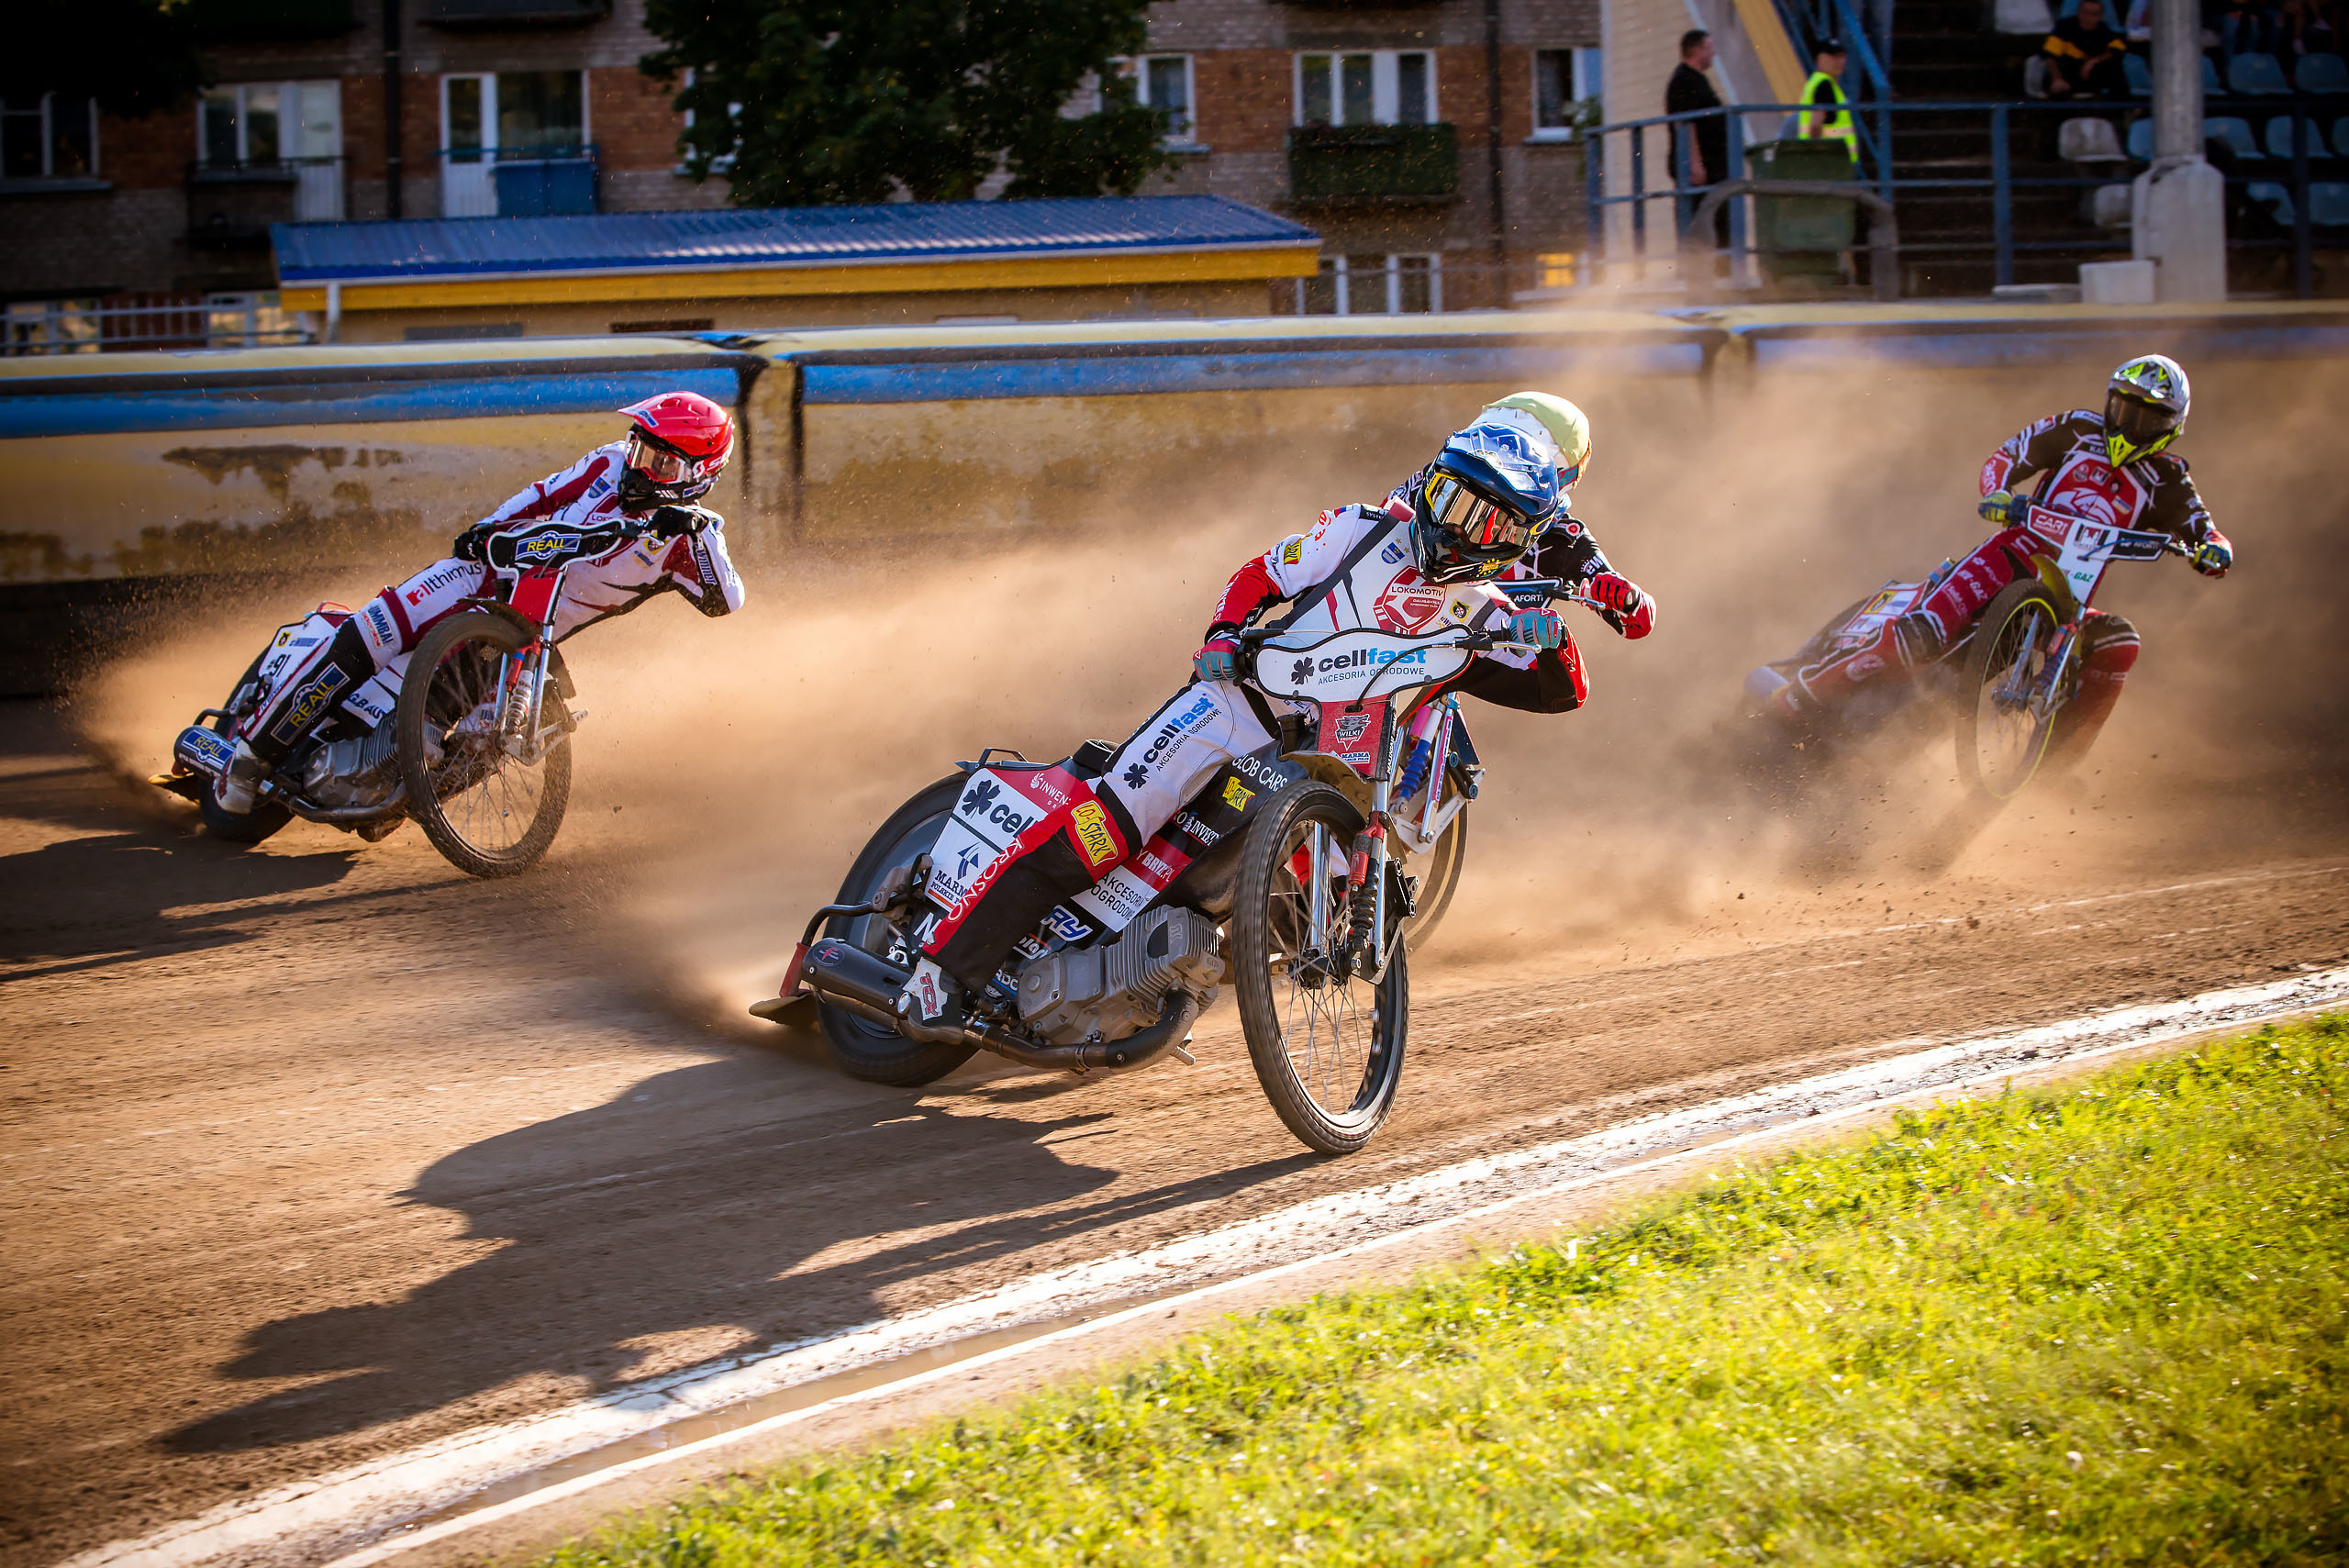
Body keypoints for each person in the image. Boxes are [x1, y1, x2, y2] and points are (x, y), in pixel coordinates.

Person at [893, 394, 1657, 1041]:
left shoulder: (1482, 609)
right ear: (1433, 481)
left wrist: (1556, 634)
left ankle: (1160, 973)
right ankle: (939, 974)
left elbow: (1564, 689)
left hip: (1316, 758)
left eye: (1485, 523)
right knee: (1106, 831)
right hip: (1233, 707)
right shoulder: (1358, 529)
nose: (1458, 527)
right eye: (1452, 501)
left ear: (1518, 542)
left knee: (1283, 884)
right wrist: (1223, 635)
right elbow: (1260, 573)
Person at [212, 391, 746, 815]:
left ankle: (395, 798)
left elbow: (727, 599)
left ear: (698, 476)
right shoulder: (607, 462)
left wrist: (699, 529)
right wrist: (488, 528)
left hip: (519, 637)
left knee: (480, 740)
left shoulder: (688, 541)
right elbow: (543, 494)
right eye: (639, 450)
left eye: (661, 464)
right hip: (487, 570)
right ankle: (249, 759)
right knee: (373, 631)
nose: (640, 468)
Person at [1761, 355, 2232, 771]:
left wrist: (2213, 549)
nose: (2129, 425)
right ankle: (1800, 695)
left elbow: (2205, 529)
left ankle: (2053, 767)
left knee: (2119, 641)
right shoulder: (2075, 428)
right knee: (1917, 635)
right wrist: (1999, 493)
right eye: (2123, 409)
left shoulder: (2168, 478)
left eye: (2146, 418)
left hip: (2068, 597)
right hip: (2010, 555)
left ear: (2171, 425)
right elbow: (2007, 456)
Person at [1666, 30, 1732, 254]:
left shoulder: (1696, 79)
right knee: (1699, 227)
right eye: (1709, 48)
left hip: (1713, 168)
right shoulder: (1684, 80)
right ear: (1696, 51)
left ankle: (1722, 267)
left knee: (1718, 224)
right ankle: (1704, 269)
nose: (1713, 53)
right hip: (1703, 170)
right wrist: (1694, 163)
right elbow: (1685, 124)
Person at [2043, 0, 2132, 96]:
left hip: (2092, 75)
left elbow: (2118, 49)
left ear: (2100, 16)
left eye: (2094, 14)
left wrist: (2093, 62)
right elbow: (2050, 57)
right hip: (2067, 75)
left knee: (2116, 70)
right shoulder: (2064, 26)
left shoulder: (2104, 29)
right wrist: (2057, 79)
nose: (2089, 18)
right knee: (2054, 82)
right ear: (2079, 12)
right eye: (2085, 13)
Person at [1799, 39, 1859, 161]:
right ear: (1821, 58)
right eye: (1834, 57)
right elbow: (1816, 124)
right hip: (1830, 160)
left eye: (1842, 56)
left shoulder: (1818, 82)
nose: (1840, 61)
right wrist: (1815, 155)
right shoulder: (1824, 84)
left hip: (1831, 159)